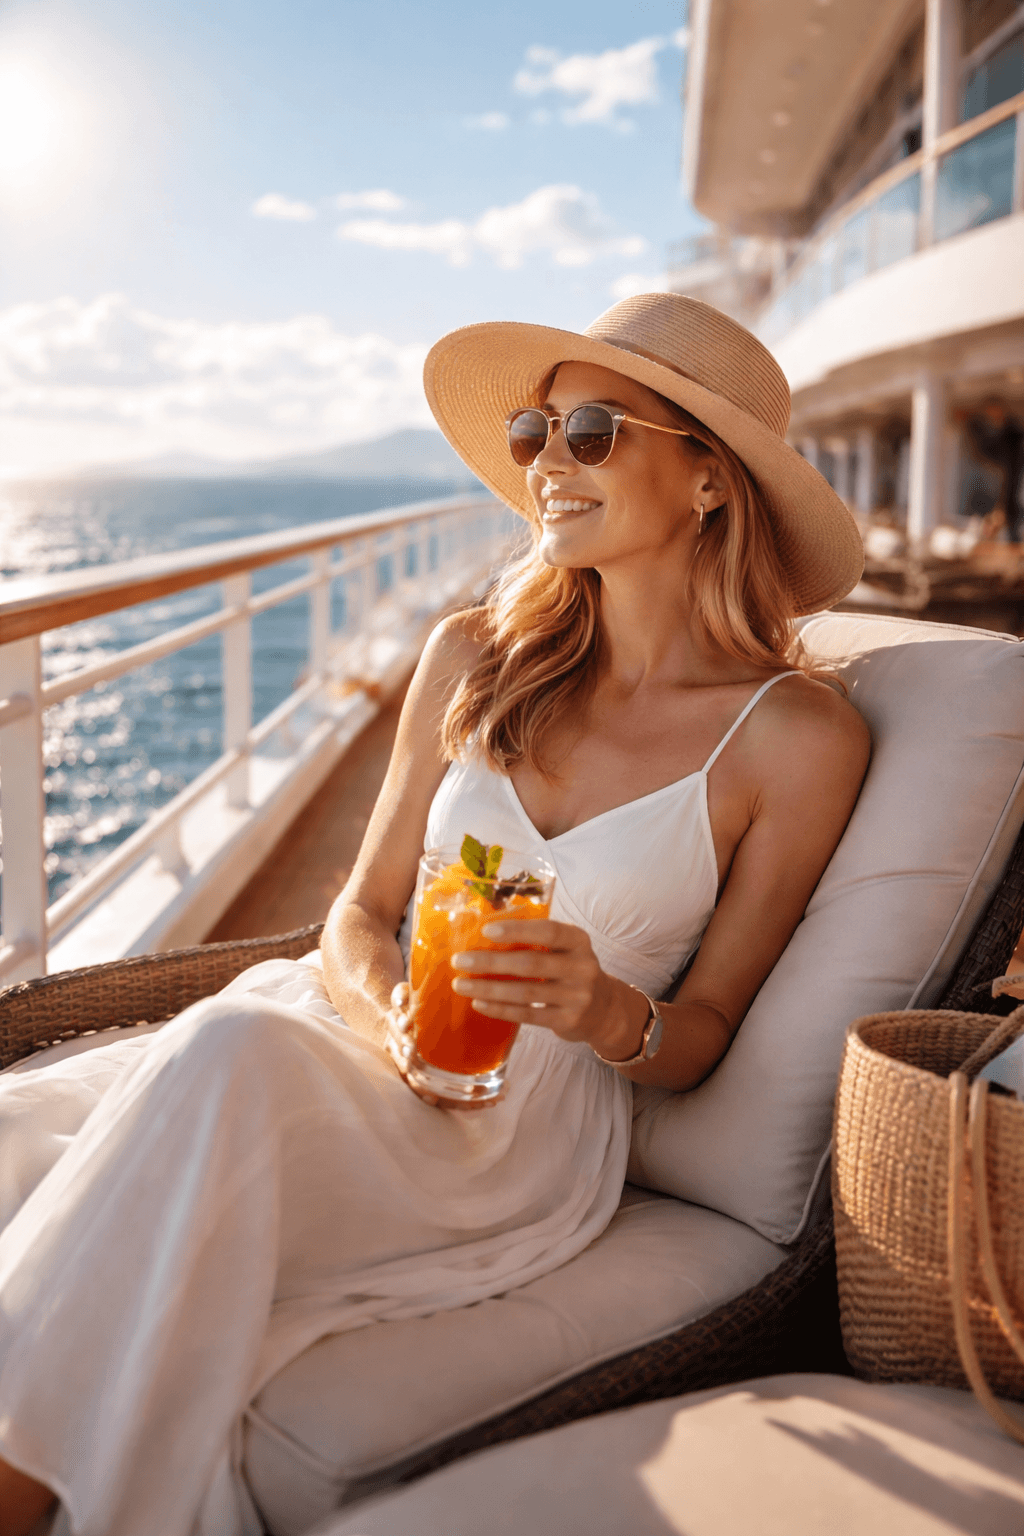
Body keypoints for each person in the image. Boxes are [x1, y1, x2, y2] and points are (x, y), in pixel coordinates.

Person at [0, 293, 870, 1536]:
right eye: (532, 433)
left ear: (708, 481)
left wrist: (611, 1010)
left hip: (514, 1135)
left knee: (222, 1052)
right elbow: (357, 912)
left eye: (588, 430)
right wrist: (395, 1012)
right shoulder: (473, 654)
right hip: (354, 1030)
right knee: (23, 1137)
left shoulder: (791, 737)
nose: (546, 466)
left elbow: (708, 1028)